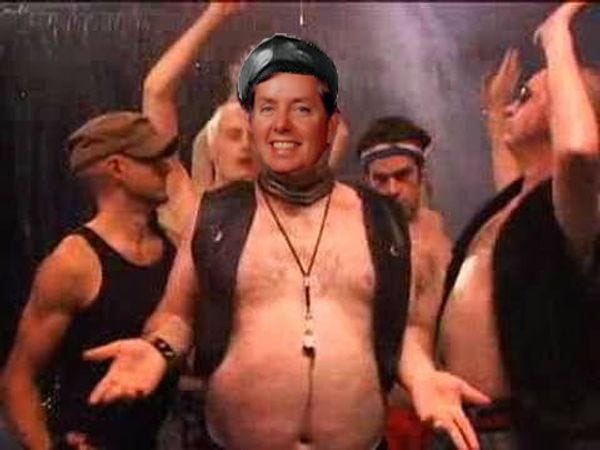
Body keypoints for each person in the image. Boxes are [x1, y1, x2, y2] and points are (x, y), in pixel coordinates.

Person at [82, 33, 411, 450]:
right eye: (238, 130)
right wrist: (158, 349)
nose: (246, 143)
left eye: (301, 110)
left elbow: (404, 330)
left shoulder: (364, 216)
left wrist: (421, 376)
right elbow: (177, 316)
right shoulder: (201, 209)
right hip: (213, 416)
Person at [400, 3, 600, 449]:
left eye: (526, 96)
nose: (513, 104)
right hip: (465, 426)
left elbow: (579, 151)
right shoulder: (512, 206)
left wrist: (556, 35)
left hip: (530, 435)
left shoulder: (574, 210)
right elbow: (513, 197)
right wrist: (495, 115)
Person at [2, 111, 178, 449]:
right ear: (117, 168)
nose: (167, 168)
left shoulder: (173, 249)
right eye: (153, 159)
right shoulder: (74, 263)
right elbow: (17, 381)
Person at [357, 116, 452, 449]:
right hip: (385, 414)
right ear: (367, 182)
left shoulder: (439, 233)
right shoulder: (361, 243)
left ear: (421, 175)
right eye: (380, 180)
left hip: (441, 409)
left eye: (402, 176)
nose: (392, 189)